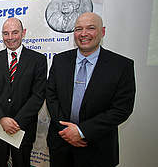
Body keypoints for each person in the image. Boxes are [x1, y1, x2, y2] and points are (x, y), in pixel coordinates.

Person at [46, 12, 136, 167]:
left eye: (91, 28)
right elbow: (51, 95)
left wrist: (81, 131)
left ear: (103, 32)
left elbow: (121, 109)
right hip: (60, 144)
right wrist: (66, 131)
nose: (83, 34)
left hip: (97, 148)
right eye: (78, 29)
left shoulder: (121, 66)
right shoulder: (60, 60)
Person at [0, 17, 47, 167]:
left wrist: (16, 122)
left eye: (14, 32)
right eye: (6, 33)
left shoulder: (38, 60)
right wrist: (2, 119)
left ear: (23, 33)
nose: (10, 38)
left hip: (23, 128)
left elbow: (38, 95)